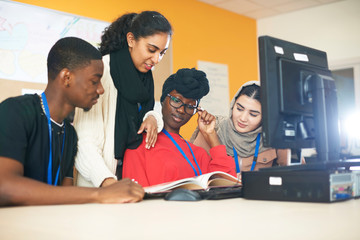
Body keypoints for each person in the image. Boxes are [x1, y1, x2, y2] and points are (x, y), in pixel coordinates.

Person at [0, 37, 144, 206]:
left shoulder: (69, 133)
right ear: (67, 77)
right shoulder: (15, 112)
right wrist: (100, 194)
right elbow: (4, 187)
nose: (101, 89)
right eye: (94, 81)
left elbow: (65, 195)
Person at [73, 11, 173, 188]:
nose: (157, 59)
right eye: (151, 50)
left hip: (130, 177)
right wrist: (108, 182)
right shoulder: (101, 73)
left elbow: (150, 108)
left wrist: (152, 117)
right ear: (131, 40)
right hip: (99, 184)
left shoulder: (145, 78)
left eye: (162, 53)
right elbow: (85, 143)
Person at [122, 68, 236, 187]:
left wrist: (210, 134)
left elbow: (228, 184)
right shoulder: (142, 142)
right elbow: (133, 193)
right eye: (176, 100)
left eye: (190, 106)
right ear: (162, 100)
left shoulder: (198, 154)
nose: (181, 110)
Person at [190, 81, 290, 176]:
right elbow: (192, 170)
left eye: (253, 114)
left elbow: (297, 172)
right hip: (216, 193)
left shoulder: (274, 136)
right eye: (239, 109)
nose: (242, 118)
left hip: (257, 193)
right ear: (233, 105)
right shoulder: (212, 129)